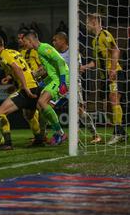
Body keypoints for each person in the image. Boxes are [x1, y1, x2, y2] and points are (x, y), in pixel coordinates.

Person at [0, 35, 43, 150]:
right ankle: (39, 140)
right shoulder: (13, 52)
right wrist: (11, 81)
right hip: (34, 86)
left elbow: (17, 68)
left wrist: (24, 87)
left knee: (0, 112)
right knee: (29, 115)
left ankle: (8, 143)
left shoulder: (4, 55)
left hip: (27, 88)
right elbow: (21, 69)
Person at [52, 32, 101, 144]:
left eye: (56, 40)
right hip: (59, 85)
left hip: (74, 85)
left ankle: (94, 135)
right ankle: (52, 135)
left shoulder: (73, 52)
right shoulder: (55, 54)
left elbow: (78, 68)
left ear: (63, 40)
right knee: (46, 105)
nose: (53, 42)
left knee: (79, 111)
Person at [23, 30, 70, 145]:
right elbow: (49, 69)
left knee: (42, 102)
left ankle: (60, 133)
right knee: (40, 106)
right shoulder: (39, 51)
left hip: (61, 78)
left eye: (25, 42)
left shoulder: (44, 48)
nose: (24, 45)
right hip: (54, 79)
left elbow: (60, 61)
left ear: (30, 40)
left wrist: (63, 82)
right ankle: (58, 133)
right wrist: (39, 81)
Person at [87, 13, 127, 145]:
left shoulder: (105, 34)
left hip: (114, 73)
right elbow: (96, 61)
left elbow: (116, 50)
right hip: (104, 77)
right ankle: (122, 132)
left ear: (94, 22)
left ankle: (118, 133)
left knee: (114, 99)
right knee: (107, 106)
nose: (86, 24)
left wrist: (113, 68)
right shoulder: (94, 40)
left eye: (88, 21)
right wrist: (84, 67)